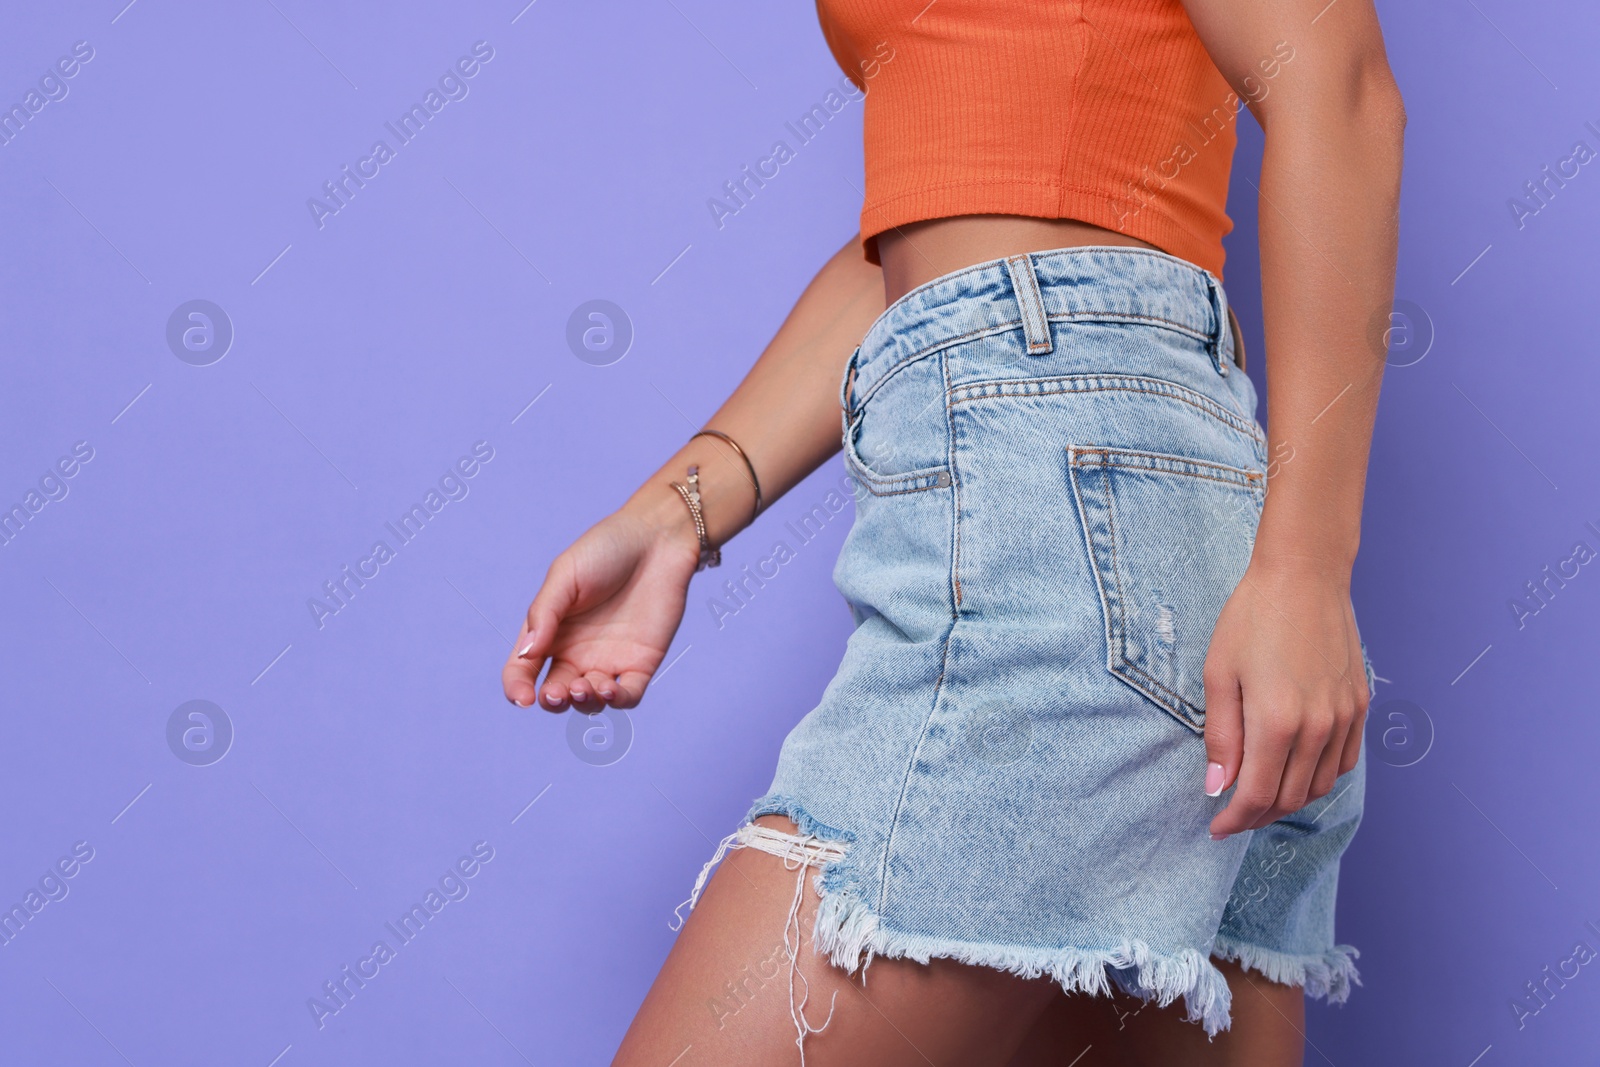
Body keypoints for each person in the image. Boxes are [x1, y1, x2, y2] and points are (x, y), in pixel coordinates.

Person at [502, 0, 1404, 1062]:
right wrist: (677, 513)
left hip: (1070, 523)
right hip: (1129, 510)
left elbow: (1335, 85)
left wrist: (1304, 568)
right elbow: (942, 230)